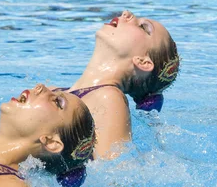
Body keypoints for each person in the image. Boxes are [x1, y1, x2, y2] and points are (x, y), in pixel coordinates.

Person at [53, 10, 180, 159]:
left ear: (143, 62)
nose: (127, 13)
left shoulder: (109, 98)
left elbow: (113, 176)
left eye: (143, 27)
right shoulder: (52, 92)